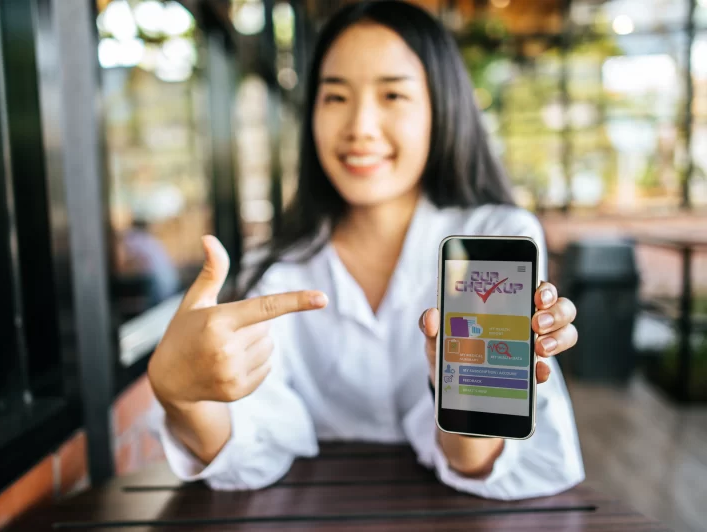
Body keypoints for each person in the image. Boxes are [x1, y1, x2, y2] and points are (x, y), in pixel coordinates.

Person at [148, 0, 584, 500]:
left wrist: (465, 394)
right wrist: (180, 396)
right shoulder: (275, 264)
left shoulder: (496, 235)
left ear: (442, 109)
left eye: (392, 94)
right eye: (335, 97)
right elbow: (252, 442)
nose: (359, 126)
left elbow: (478, 460)